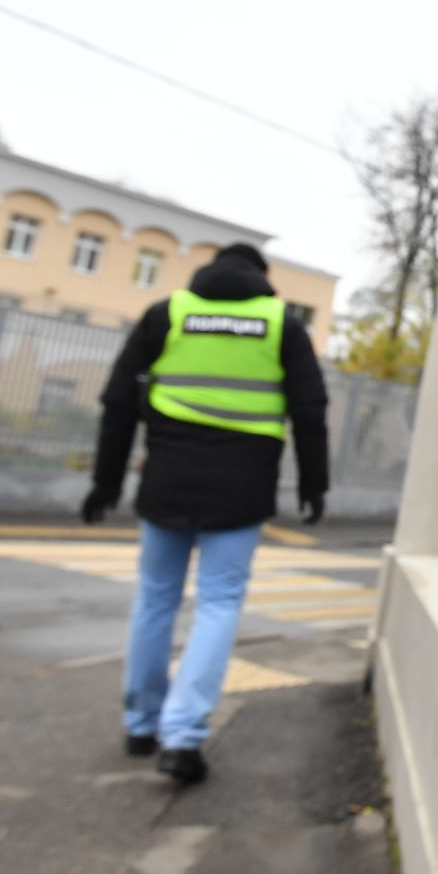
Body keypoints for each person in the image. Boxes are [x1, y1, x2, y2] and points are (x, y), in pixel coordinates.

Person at [83, 243, 328, 784]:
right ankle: (183, 739)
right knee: (218, 603)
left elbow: (118, 401)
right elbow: (311, 412)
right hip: (241, 490)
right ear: (261, 277)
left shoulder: (168, 314)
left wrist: (105, 480)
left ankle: (141, 724)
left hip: (166, 480)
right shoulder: (279, 322)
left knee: (155, 598)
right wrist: (315, 485)